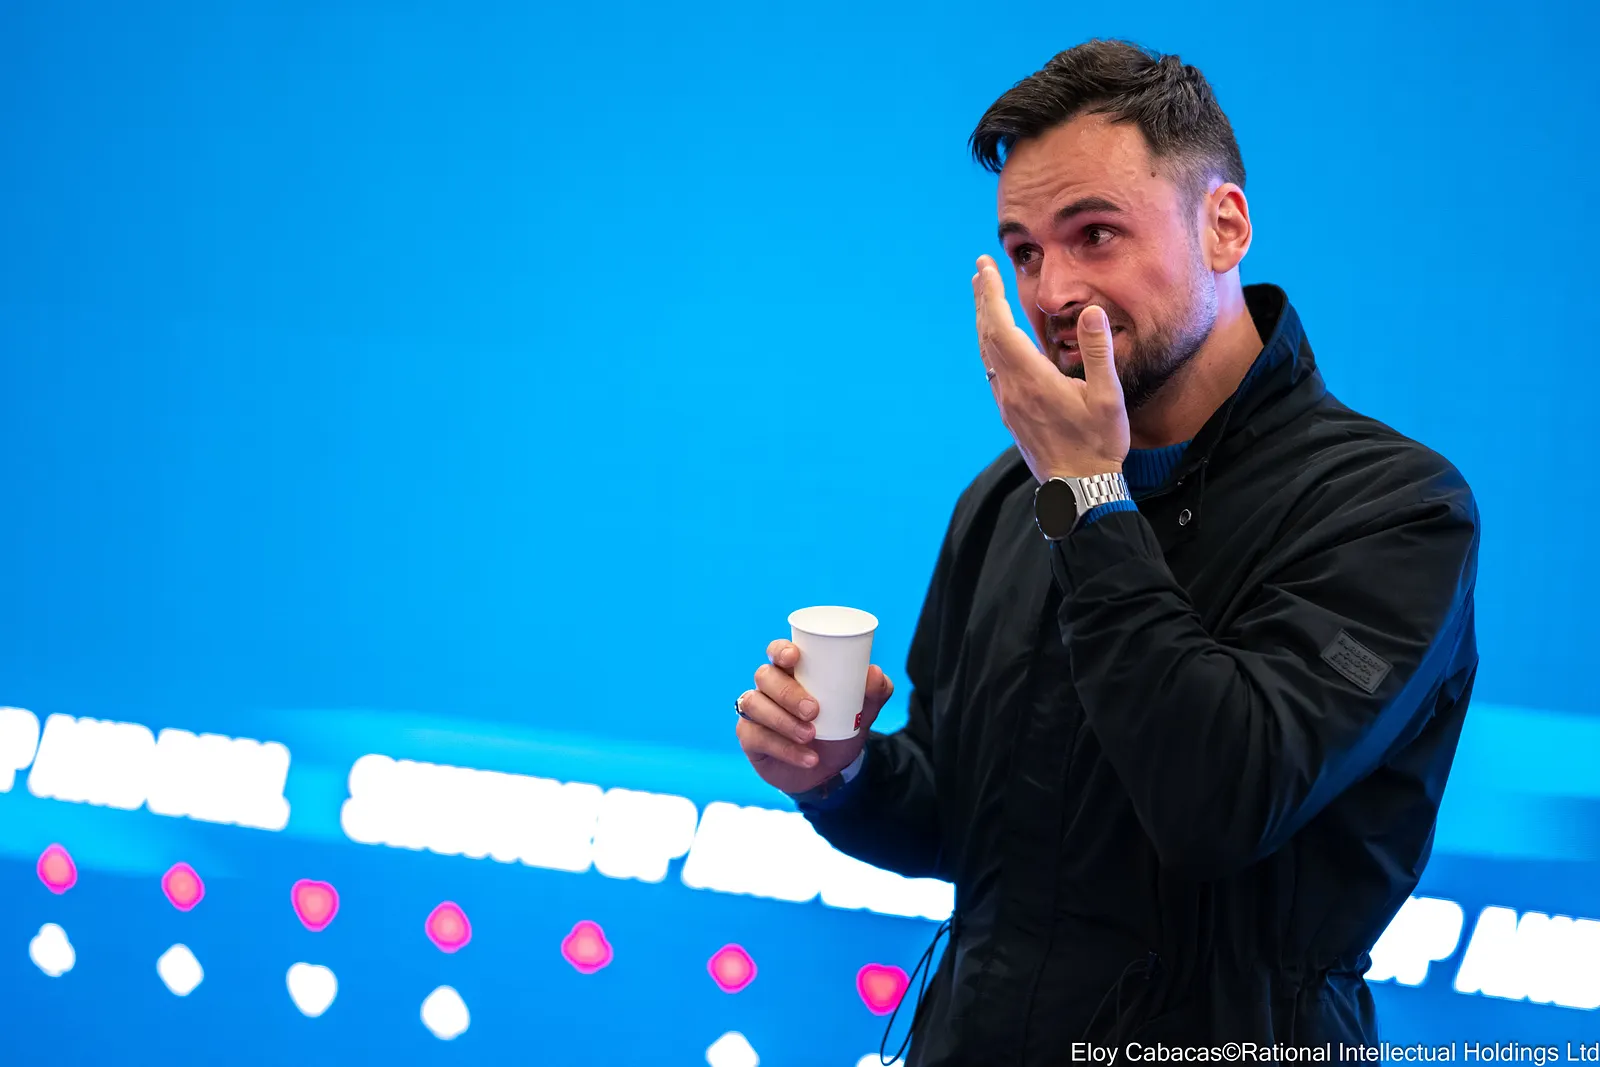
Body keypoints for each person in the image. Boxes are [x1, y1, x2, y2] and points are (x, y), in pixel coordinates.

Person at [731, 38, 1480, 1065]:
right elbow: (960, 822)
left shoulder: (1392, 508)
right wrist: (842, 771)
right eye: (1025, 251)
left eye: (1094, 234)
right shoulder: (1009, 496)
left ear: (1224, 226)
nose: (1050, 291)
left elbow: (1220, 802)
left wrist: (1089, 493)